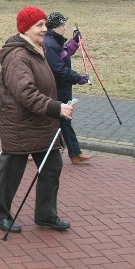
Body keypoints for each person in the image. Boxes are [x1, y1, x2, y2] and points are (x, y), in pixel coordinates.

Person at [0, 6, 75, 234]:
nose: (44, 29)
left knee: (51, 168)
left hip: (42, 124)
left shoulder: (36, 49)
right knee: (11, 173)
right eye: (39, 25)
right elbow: (25, 93)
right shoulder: (18, 56)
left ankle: (46, 215)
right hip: (21, 125)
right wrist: (55, 107)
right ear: (25, 29)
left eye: (45, 24)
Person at [43, 12, 92, 164]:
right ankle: (74, 153)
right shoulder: (49, 44)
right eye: (63, 25)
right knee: (63, 120)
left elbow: (65, 52)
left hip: (63, 88)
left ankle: (74, 153)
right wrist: (78, 78)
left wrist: (75, 41)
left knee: (60, 121)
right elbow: (58, 68)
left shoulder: (54, 42)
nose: (65, 28)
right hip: (56, 89)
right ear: (56, 27)